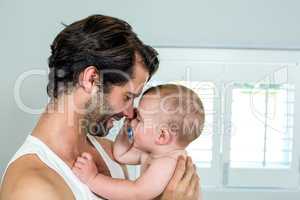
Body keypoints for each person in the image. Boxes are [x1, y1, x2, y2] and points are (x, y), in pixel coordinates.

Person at [0, 15, 201, 200]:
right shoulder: (32, 187)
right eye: (128, 96)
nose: (130, 113)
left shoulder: (110, 152)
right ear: (91, 79)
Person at [72, 84, 205, 200]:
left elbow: (135, 193)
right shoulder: (154, 154)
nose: (132, 117)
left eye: (139, 119)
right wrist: (127, 127)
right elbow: (120, 155)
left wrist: (93, 179)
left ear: (162, 136)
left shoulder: (168, 163)